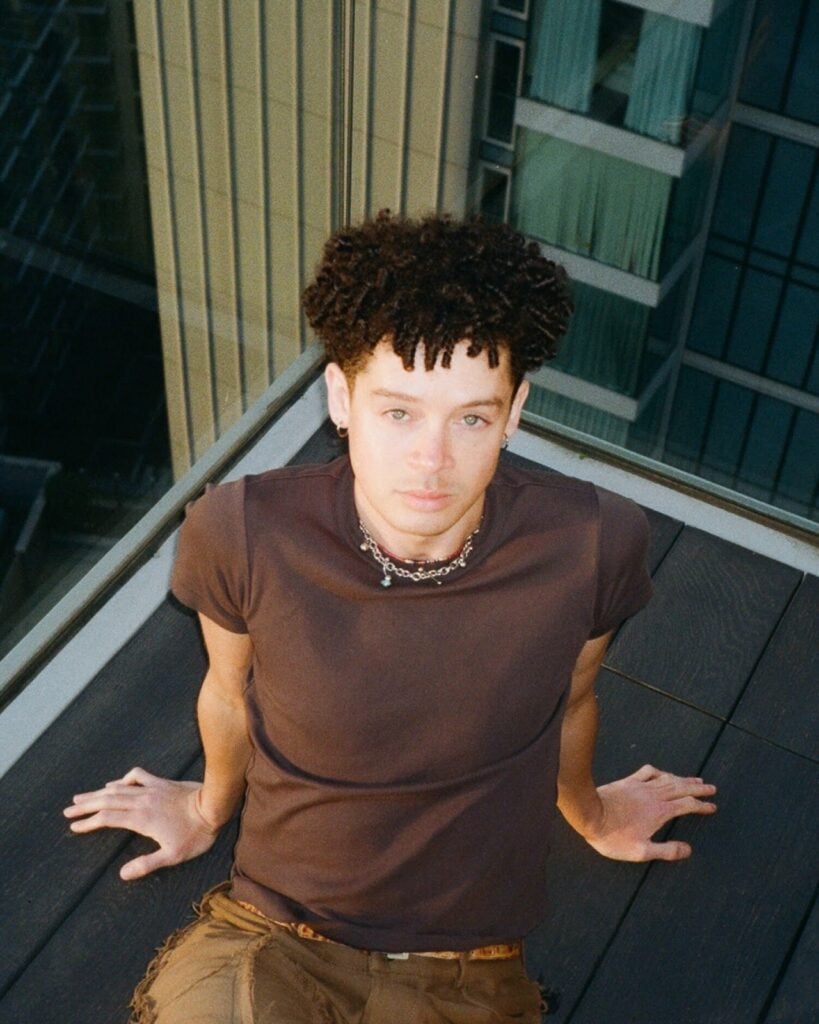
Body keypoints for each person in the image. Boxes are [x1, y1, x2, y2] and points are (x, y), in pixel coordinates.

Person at [63, 212, 717, 1024]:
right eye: (398, 411)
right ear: (340, 396)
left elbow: (572, 699)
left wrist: (590, 812)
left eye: (471, 417)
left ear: (515, 411)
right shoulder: (239, 530)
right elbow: (229, 691)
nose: (431, 460)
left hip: (471, 973)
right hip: (277, 940)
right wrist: (206, 809)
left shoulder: (593, 543)